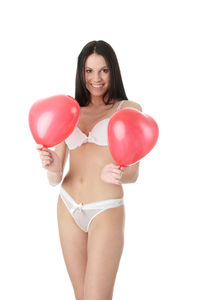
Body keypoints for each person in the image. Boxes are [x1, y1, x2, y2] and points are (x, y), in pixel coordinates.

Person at [36, 40, 142, 300]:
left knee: (97, 297)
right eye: (89, 71)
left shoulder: (127, 110)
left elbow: (134, 172)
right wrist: (52, 164)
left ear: (113, 72)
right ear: (81, 73)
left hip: (105, 208)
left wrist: (117, 174)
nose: (96, 78)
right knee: (81, 295)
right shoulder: (68, 109)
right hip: (68, 205)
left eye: (104, 70)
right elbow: (55, 178)